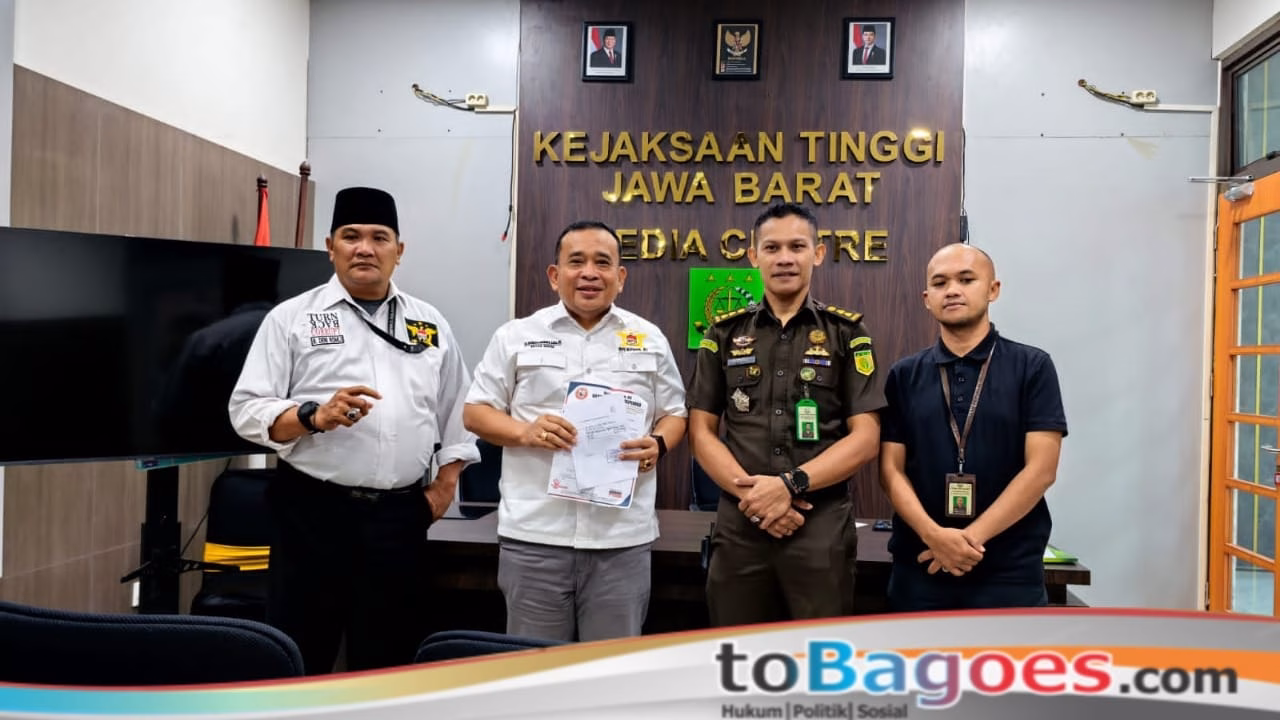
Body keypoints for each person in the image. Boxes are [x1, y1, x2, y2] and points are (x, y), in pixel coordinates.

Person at [228, 186, 479, 673]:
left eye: (379, 237)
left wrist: (444, 487)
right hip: (312, 514)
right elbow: (246, 409)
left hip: (399, 519)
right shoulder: (291, 319)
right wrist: (312, 417)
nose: (365, 248)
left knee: (389, 660)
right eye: (351, 236)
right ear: (330, 247)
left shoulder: (429, 323)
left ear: (399, 250)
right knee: (300, 655)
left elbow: (459, 413)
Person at [463, 220, 686, 642]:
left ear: (620, 277)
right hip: (535, 536)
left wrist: (658, 444)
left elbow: (675, 413)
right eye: (576, 262)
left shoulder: (649, 338)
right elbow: (475, 413)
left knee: (610, 672)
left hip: (621, 540)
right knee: (538, 671)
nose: (589, 273)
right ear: (554, 275)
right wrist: (525, 432)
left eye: (603, 263)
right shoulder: (515, 336)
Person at [686, 203, 885, 627]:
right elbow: (701, 432)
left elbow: (866, 437)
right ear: (753, 256)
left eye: (797, 246)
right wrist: (757, 501)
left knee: (818, 652)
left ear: (818, 253)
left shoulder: (847, 333)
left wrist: (789, 485)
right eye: (772, 248)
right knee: (735, 649)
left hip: (819, 526)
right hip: (742, 524)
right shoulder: (723, 333)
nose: (785, 258)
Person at [878, 243, 1068, 611]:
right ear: (926, 299)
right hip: (921, 565)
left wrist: (967, 541)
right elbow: (890, 471)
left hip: (1008, 572)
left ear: (993, 289)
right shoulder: (904, 374)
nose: (952, 290)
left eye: (966, 280)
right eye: (940, 283)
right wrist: (935, 537)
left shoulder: (1032, 366)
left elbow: (1042, 470)